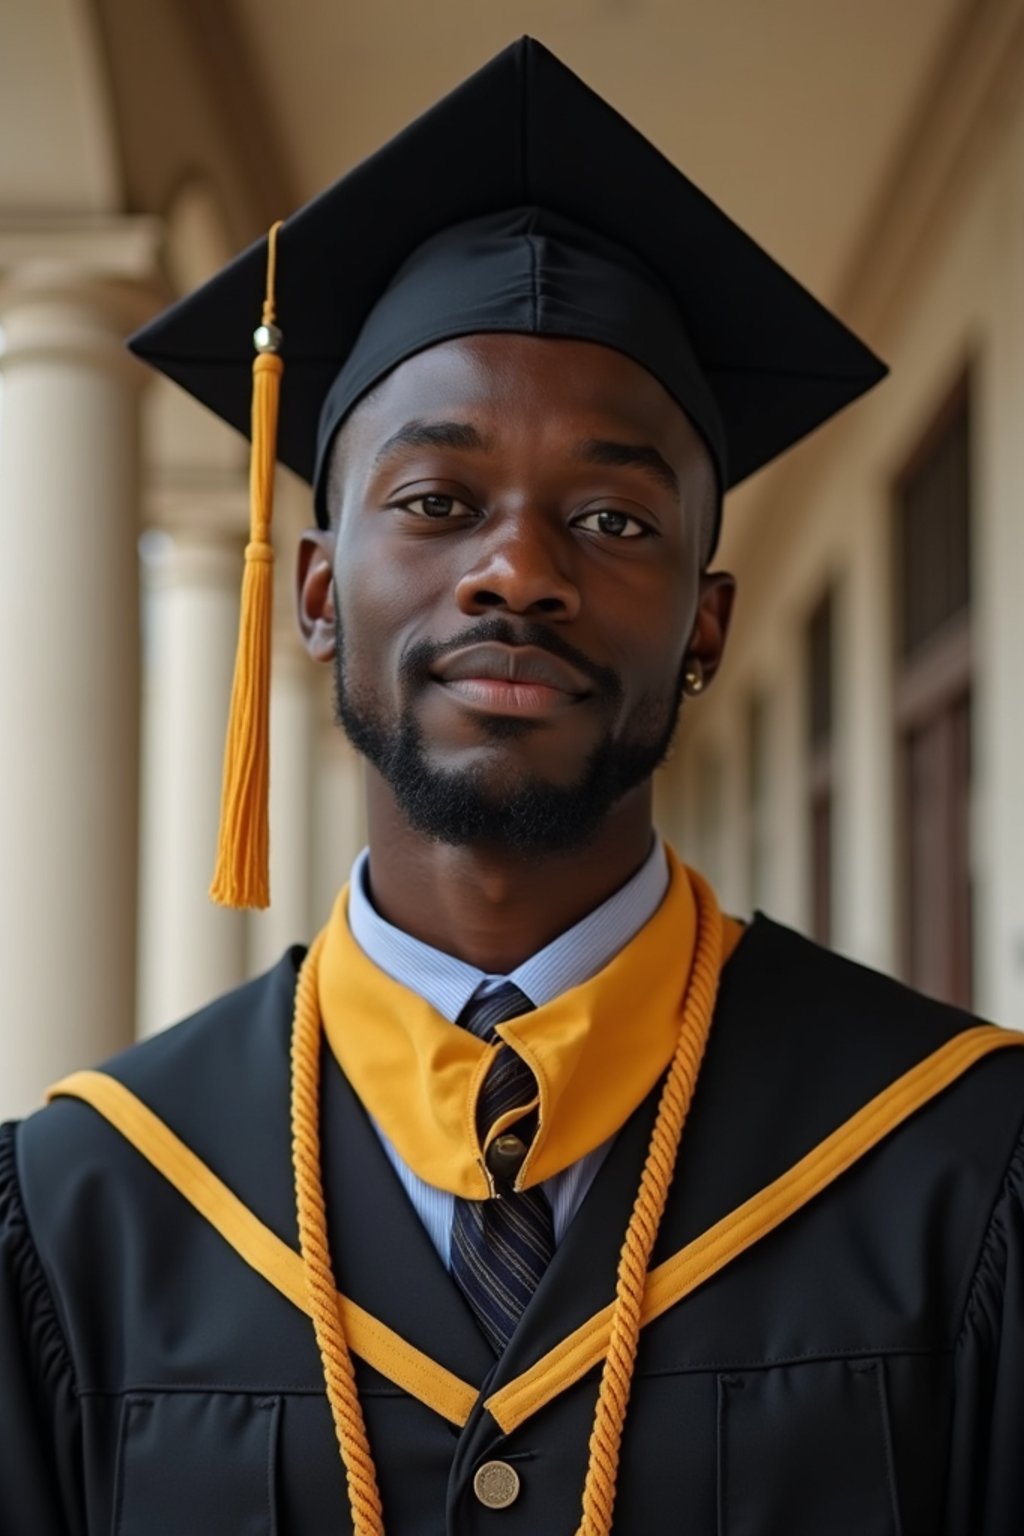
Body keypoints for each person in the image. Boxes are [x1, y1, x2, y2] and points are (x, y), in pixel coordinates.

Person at [1, 37, 1022, 1536]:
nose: (519, 572)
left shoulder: (957, 1164)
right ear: (314, 594)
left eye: (613, 516)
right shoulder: (91, 1206)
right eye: (436, 501)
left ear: (709, 624)